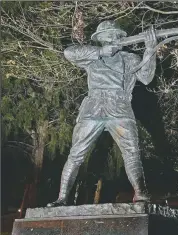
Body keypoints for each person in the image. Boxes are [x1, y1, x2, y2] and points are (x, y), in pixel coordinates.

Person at [47, 20, 157, 207]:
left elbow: (146, 78)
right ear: (100, 39)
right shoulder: (92, 56)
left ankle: (140, 193)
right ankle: (62, 197)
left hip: (120, 108)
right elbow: (68, 52)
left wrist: (150, 50)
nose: (112, 37)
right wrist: (100, 52)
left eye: (115, 34)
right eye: (108, 35)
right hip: (93, 109)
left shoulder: (129, 59)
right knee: (76, 154)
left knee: (131, 153)